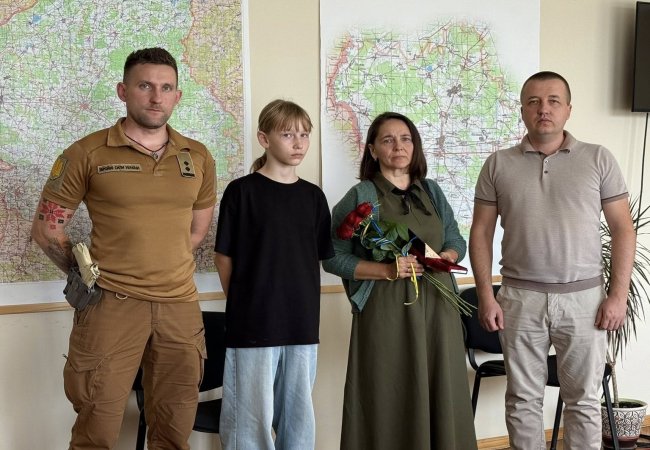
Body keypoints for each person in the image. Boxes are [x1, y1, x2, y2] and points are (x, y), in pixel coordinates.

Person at [30, 47, 217, 450]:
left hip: (179, 307)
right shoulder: (86, 153)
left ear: (178, 96)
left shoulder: (198, 156)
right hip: (111, 305)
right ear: (123, 91)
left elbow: (195, 233)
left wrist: (160, 265)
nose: (156, 97)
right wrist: (87, 276)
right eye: (145, 86)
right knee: (96, 428)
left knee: (174, 430)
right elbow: (47, 230)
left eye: (166, 88)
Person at [469, 71, 636, 450]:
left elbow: (623, 229)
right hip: (519, 299)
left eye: (553, 101)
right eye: (534, 102)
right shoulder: (497, 164)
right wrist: (486, 296)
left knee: (583, 401)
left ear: (568, 110)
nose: (543, 109)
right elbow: (480, 232)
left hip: (584, 301)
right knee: (522, 400)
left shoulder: (598, 158)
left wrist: (618, 296)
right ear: (523, 110)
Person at [322, 112, 477, 450]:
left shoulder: (432, 191)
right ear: (373, 150)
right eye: (388, 140)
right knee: (389, 392)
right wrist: (387, 270)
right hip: (387, 314)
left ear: (415, 146)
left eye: (405, 139)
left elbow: (455, 238)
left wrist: (446, 256)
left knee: (443, 389)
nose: (398, 146)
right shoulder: (361, 195)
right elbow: (331, 257)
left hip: (440, 313)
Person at [213, 99, 334, 450]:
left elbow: (315, 258)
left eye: (304, 135)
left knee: (298, 416)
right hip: (253, 323)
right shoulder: (242, 191)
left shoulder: (313, 197)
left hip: (302, 323)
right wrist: (244, 304)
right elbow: (223, 258)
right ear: (264, 139)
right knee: (250, 420)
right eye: (288, 134)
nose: (298, 143)